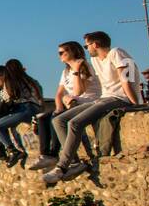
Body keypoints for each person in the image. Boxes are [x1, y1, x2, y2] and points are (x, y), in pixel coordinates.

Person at [44, 31, 143, 185]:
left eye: (87, 45)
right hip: (104, 98)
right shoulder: (96, 60)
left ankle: (62, 167)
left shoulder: (116, 53)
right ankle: (75, 163)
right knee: (59, 120)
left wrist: (135, 104)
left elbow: (126, 80)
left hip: (119, 98)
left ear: (95, 44)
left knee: (75, 123)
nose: (86, 49)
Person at [29, 41, 98, 171]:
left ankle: (67, 158)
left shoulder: (84, 67)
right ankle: (46, 155)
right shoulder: (66, 71)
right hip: (70, 104)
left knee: (57, 120)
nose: (59, 55)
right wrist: (59, 107)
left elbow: (78, 92)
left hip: (86, 103)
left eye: (62, 52)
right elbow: (59, 93)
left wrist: (77, 71)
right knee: (43, 118)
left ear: (72, 52)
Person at [0, 59, 43, 167]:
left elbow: (7, 101)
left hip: (24, 109)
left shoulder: (11, 82)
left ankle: (12, 150)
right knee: (4, 124)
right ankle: (8, 150)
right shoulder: (31, 80)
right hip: (34, 108)